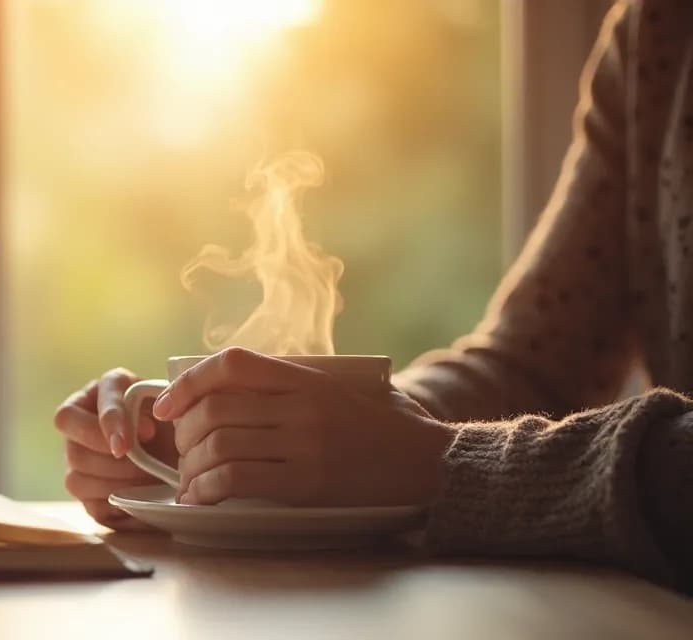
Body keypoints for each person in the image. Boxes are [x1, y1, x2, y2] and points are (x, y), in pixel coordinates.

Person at [53, 0, 692, 593]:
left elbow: (442, 449)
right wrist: (228, 445)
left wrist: (439, 465)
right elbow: (533, 367)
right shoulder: (657, 32)